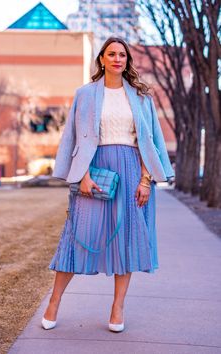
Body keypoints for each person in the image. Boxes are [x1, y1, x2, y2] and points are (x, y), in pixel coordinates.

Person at [42, 37, 174, 332]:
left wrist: (145, 179)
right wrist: (83, 175)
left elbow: (148, 141)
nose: (117, 59)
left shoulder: (141, 96)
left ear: (127, 61)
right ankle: (54, 302)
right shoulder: (85, 94)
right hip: (95, 169)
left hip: (131, 171)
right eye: (111, 54)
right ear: (102, 58)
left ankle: (117, 307)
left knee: (126, 239)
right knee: (77, 236)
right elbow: (74, 136)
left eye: (122, 55)